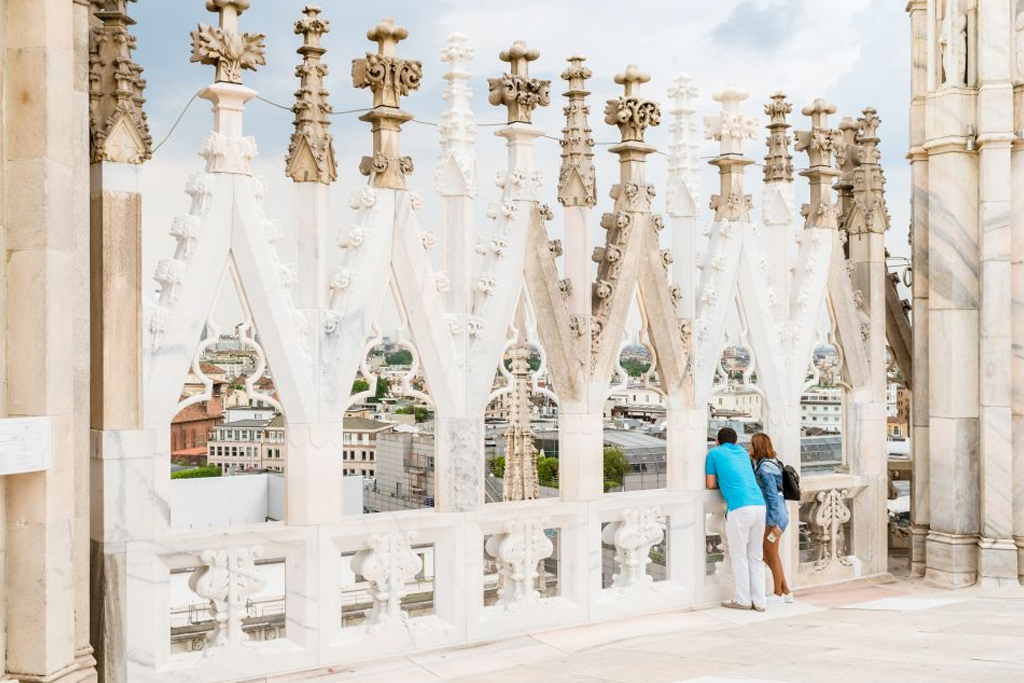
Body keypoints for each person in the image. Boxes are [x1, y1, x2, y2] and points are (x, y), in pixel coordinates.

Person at [705, 427, 767, 612]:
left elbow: (709, 484)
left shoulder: (714, 453)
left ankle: (743, 600)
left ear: (717, 440)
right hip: (760, 505)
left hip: (740, 508)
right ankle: (760, 601)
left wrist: (722, 481)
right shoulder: (742, 452)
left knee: (739, 557)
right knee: (755, 557)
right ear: (735, 440)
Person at [751, 433, 793, 603]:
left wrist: (775, 522)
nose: (749, 448)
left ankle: (778, 594)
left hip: (773, 516)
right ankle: (786, 591)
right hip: (778, 513)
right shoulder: (773, 463)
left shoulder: (765, 468)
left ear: (757, 447)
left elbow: (772, 495)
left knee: (771, 553)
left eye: (752, 445)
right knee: (768, 552)